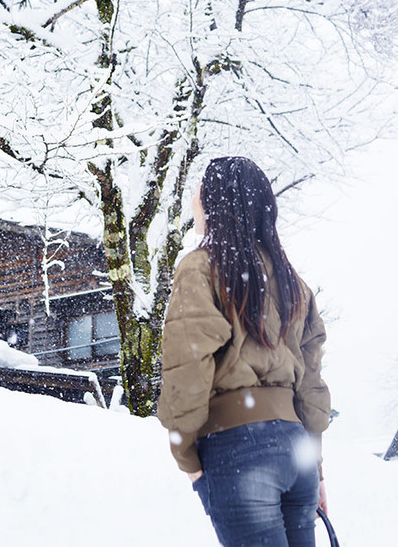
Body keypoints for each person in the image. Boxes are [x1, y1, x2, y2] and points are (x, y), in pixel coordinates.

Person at [157, 157, 330, 547]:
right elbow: (311, 382)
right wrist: (315, 469)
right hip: (296, 448)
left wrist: (186, 455)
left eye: (198, 195)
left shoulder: (202, 268)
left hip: (237, 446)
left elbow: (188, 366)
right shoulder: (293, 283)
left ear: (215, 204)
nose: (193, 204)